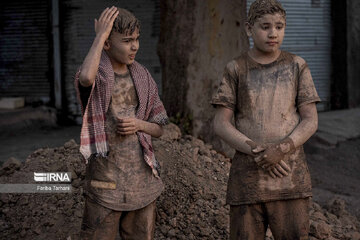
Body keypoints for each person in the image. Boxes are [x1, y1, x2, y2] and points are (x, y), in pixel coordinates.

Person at [211, 0, 320, 239]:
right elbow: (220, 123)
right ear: (249, 29)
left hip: (289, 181)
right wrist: (259, 151)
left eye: (279, 27)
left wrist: (282, 149)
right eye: (265, 26)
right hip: (247, 183)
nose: (273, 33)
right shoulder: (236, 68)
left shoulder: (296, 66)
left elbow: (310, 120)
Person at [74, 6, 168, 240]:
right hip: (105, 182)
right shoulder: (99, 78)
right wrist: (99, 37)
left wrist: (139, 125)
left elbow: (159, 128)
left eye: (136, 39)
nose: (134, 46)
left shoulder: (143, 77)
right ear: (107, 44)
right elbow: (86, 77)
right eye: (127, 41)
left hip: (142, 183)